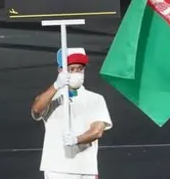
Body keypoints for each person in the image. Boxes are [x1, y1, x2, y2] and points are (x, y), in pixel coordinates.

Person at [31, 49, 113, 179]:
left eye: (80, 69)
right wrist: (56, 85)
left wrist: (76, 140)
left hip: (86, 168)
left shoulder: (96, 99)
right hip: (57, 169)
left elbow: (97, 131)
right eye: (71, 69)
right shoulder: (52, 98)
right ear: (61, 70)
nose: (76, 73)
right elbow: (36, 109)